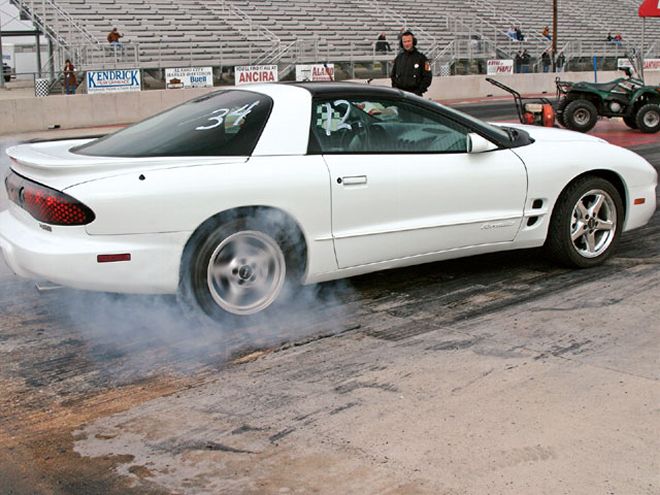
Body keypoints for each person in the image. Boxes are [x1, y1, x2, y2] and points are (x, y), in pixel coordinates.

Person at [391, 31, 432, 97]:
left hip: (415, 97)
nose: (407, 44)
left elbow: (428, 77)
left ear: (413, 42)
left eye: (409, 41)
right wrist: (396, 89)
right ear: (402, 43)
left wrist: (418, 91)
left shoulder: (423, 58)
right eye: (404, 42)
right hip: (400, 96)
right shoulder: (398, 58)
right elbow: (393, 76)